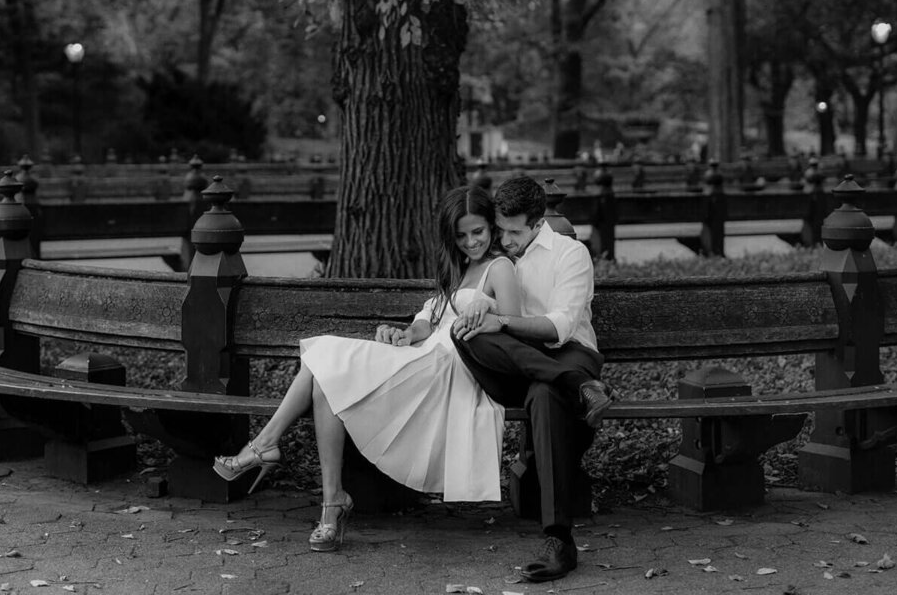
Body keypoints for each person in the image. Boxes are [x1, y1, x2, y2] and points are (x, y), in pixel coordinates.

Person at [212, 185, 521, 552]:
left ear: (492, 227)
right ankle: (331, 506)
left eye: (478, 232)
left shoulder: (500, 268)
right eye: (461, 235)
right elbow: (428, 323)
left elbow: (515, 325)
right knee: (326, 380)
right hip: (426, 358)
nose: (471, 242)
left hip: (452, 370)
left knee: (326, 357)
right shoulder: (460, 269)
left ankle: (264, 445)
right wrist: (404, 332)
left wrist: (487, 311)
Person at [451, 175, 610, 583]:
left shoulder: (569, 254)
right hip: (520, 366)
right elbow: (479, 307)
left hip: (569, 353)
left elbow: (560, 327)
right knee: (465, 335)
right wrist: (477, 315)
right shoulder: (493, 260)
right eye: (499, 229)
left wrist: (500, 320)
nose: (503, 239)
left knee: (543, 393)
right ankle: (578, 387)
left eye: (514, 231)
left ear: (538, 222)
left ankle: (559, 540)